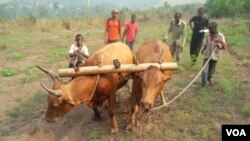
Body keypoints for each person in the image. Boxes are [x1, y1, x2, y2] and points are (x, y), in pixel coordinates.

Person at [201, 21, 227, 87]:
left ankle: (208, 79)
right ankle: (204, 84)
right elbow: (205, 43)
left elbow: (224, 46)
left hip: (215, 56)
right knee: (204, 70)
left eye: (210, 28)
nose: (209, 30)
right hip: (207, 55)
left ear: (215, 28)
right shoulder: (208, 35)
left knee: (211, 71)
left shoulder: (221, 36)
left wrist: (220, 45)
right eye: (208, 28)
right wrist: (203, 49)